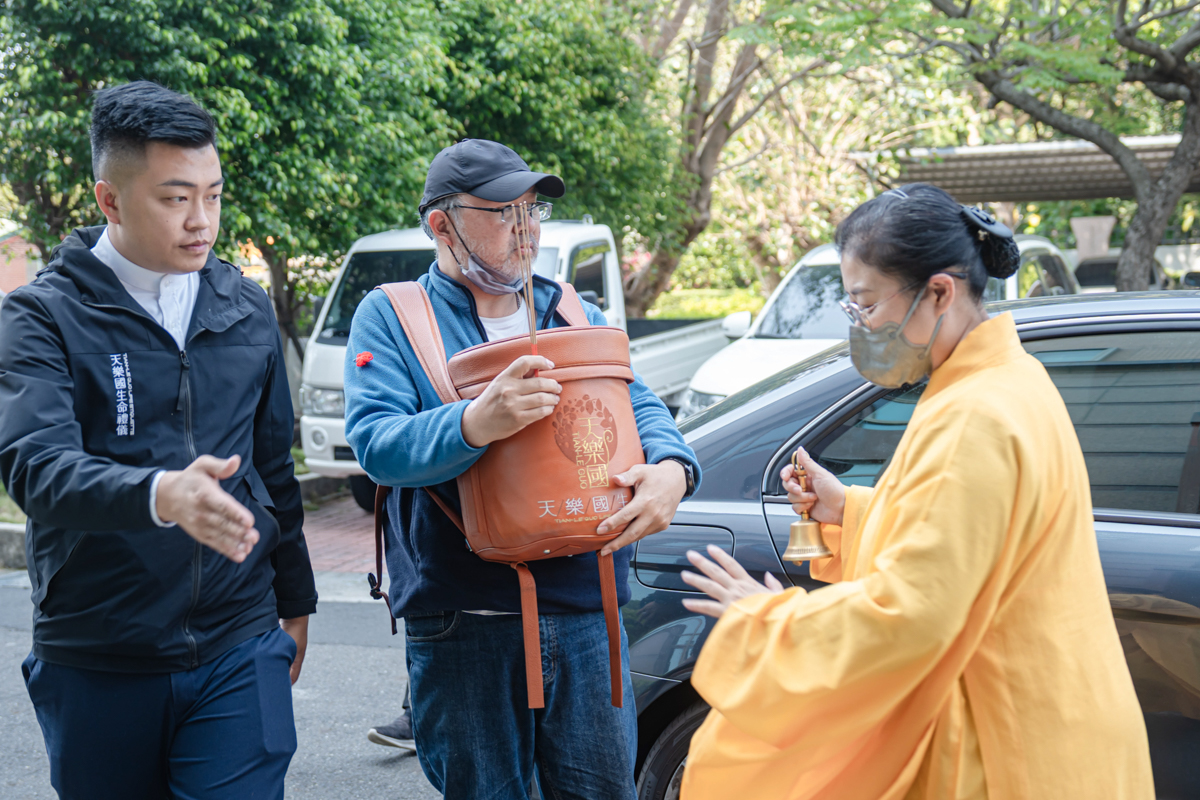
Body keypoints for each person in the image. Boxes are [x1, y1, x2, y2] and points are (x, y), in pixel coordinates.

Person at [678, 184, 1155, 799]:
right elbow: (974, 536)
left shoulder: (975, 415)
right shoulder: (1007, 379)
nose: (860, 326)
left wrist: (767, 620)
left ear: (938, 292)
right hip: (1060, 716)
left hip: (1012, 746)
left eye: (866, 305)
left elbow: (913, 615)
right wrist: (846, 510)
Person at [343, 139, 699, 799]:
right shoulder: (393, 316)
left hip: (589, 609)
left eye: (531, 209)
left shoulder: (567, 306)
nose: (527, 228)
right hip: (466, 621)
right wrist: (474, 422)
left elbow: (637, 401)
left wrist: (674, 467)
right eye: (503, 212)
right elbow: (375, 443)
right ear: (441, 225)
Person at [0, 81, 317, 799]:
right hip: (99, 651)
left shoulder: (245, 307)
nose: (201, 220)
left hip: (240, 640)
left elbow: (273, 465)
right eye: (176, 198)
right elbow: (35, 467)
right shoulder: (41, 317)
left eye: (213, 194)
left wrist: (294, 600)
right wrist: (160, 493)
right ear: (109, 200)